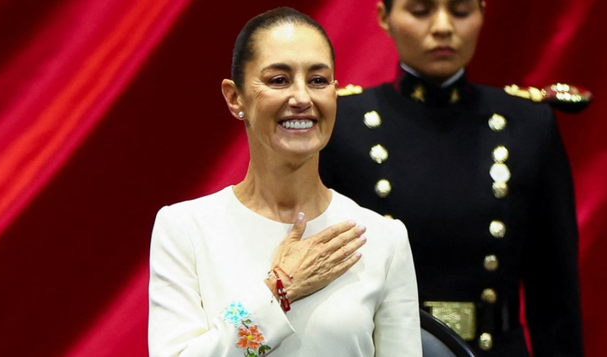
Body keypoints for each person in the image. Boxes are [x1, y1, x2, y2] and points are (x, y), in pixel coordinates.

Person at [148, 7, 421, 357]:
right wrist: (278, 289)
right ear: (235, 98)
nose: (302, 98)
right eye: (279, 80)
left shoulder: (383, 239)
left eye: (318, 80)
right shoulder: (185, 229)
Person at [320, 0, 583, 356]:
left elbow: (556, 295)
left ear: (482, 15)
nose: (443, 26)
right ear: (384, 17)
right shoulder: (341, 124)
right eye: (420, 10)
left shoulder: (529, 124)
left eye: (460, 11)